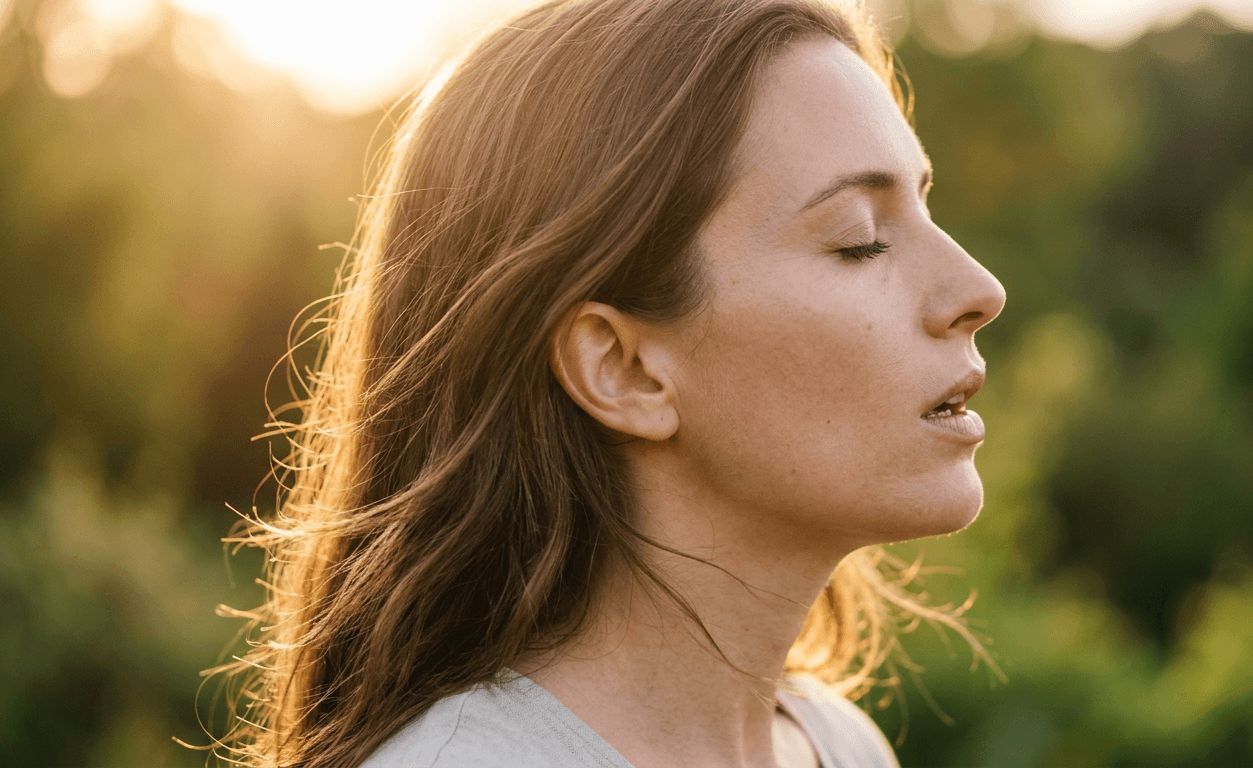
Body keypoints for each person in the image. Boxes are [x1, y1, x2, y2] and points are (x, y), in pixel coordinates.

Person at [218, 0, 1005, 766]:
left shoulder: (841, 746)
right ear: (623, 370)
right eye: (860, 239)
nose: (980, 288)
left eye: (925, 206)